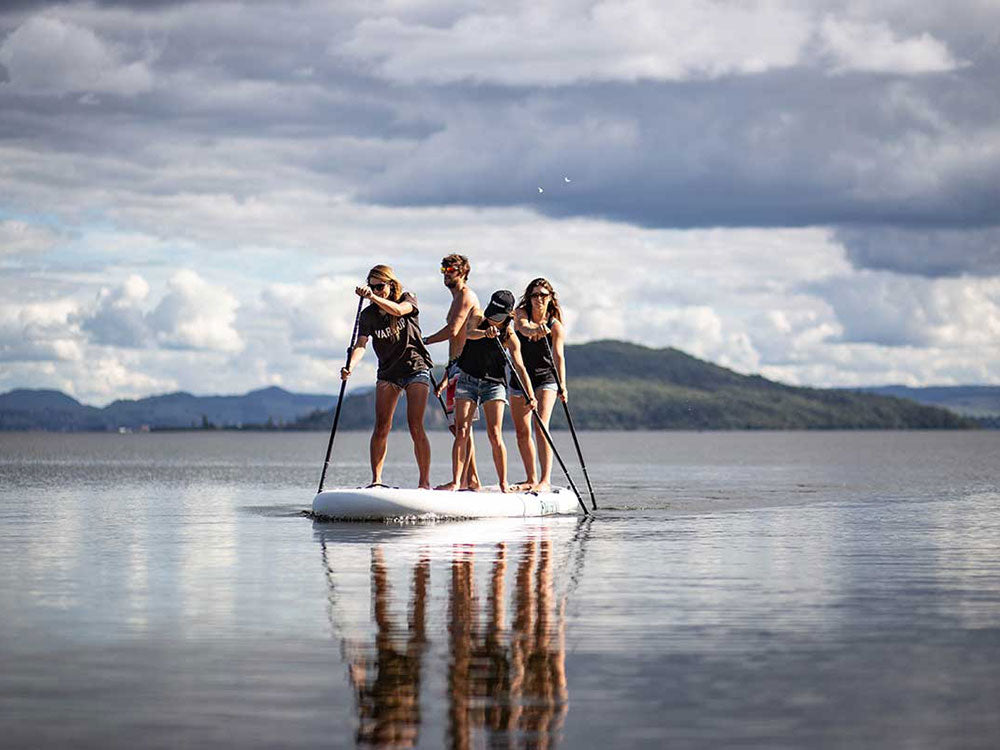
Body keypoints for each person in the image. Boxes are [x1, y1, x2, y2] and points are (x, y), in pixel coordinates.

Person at [341, 265, 433, 489]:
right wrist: (350, 366)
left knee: (415, 425)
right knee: (382, 426)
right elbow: (362, 344)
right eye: (372, 287)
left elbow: (399, 311)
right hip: (388, 372)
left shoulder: (407, 298)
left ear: (390, 284)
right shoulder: (368, 315)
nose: (375, 291)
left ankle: (424, 482)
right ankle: (376, 480)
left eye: (379, 286)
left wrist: (373, 297)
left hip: (415, 367)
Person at [443, 290, 535, 493]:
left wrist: (531, 395)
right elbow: (468, 333)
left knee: (494, 434)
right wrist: (485, 333)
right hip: (467, 379)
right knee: (462, 431)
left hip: (493, 385)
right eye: (491, 313)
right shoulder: (478, 315)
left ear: (508, 316)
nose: (492, 318)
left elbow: (520, 367)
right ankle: (456, 482)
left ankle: (503, 483)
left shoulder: (510, 336)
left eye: (497, 316)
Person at [422, 253, 481, 490]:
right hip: (455, 365)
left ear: (463, 271)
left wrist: (423, 340)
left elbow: (454, 329)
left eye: (451, 269)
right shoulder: (456, 297)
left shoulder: (466, 295)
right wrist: (446, 374)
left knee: (462, 426)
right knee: (457, 427)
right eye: (443, 269)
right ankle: (471, 478)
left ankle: (466, 480)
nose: (446, 273)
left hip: (467, 366)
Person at [510, 278, 567, 493]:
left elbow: (559, 356)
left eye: (543, 295)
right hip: (520, 379)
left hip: (546, 379)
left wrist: (563, 385)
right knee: (521, 431)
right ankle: (531, 478)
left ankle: (545, 480)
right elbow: (523, 328)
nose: (539, 299)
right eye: (535, 295)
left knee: (540, 426)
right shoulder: (521, 313)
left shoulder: (555, 325)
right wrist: (534, 330)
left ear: (550, 298)